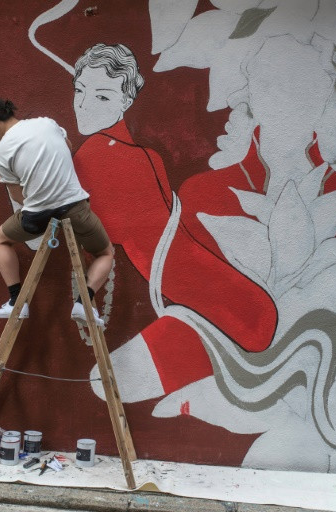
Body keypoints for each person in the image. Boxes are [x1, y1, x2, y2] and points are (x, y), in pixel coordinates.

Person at [71, 43, 277, 401]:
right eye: (79, 91)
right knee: (254, 321)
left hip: (210, 292)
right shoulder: (138, 155)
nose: (84, 105)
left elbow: (78, 230)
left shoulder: (102, 156)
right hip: (220, 294)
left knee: (252, 320)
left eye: (102, 97)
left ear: (125, 102)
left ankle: (201, 339)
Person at [0, 98, 114, 326]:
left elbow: (17, 196)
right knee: (105, 252)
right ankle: (83, 303)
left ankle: (16, 302)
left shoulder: (0, 154)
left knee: (1, 238)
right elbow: (68, 147)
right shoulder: (47, 123)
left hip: (36, 215)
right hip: (75, 207)